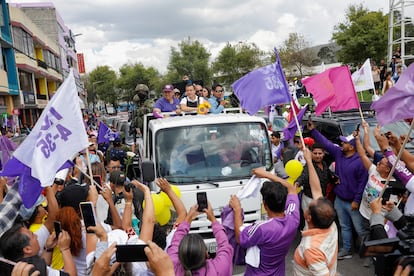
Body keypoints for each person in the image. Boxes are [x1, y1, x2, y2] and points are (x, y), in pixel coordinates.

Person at [307, 121, 368, 260]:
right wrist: (314, 131)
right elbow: (327, 143)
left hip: (353, 202)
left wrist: (356, 201)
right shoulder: (339, 154)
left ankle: (369, 253)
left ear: (352, 147)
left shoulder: (361, 162)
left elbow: (362, 184)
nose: (341, 144)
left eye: (344, 143)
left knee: (360, 230)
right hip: (340, 199)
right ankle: (347, 249)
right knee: (344, 226)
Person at [229, 168, 299, 275]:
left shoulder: (262, 228)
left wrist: (237, 210)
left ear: (265, 205)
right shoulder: (293, 219)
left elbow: (240, 238)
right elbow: (291, 188)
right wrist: (267, 175)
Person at [293, 147, 338, 275]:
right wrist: (308, 161)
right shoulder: (331, 226)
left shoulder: (311, 249)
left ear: (309, 218)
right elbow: (317, 190)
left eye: (309, 206)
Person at [166, 202, 233, 275]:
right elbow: (224, 244)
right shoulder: (219, 268)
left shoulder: (172, 267)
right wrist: (213, 219)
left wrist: (188, 218)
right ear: (206, 254)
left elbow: (175, 242)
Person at [295, 143, 331, 213]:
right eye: (315, 153)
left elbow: (328, 174)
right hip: (309, 199)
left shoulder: (324, 164)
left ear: (323, 154)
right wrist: (297, 183)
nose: (317, 156)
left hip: (322, 199)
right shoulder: (309, 166)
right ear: (311, 153)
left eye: (320, 153)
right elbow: (304, 175)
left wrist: (334, 178)